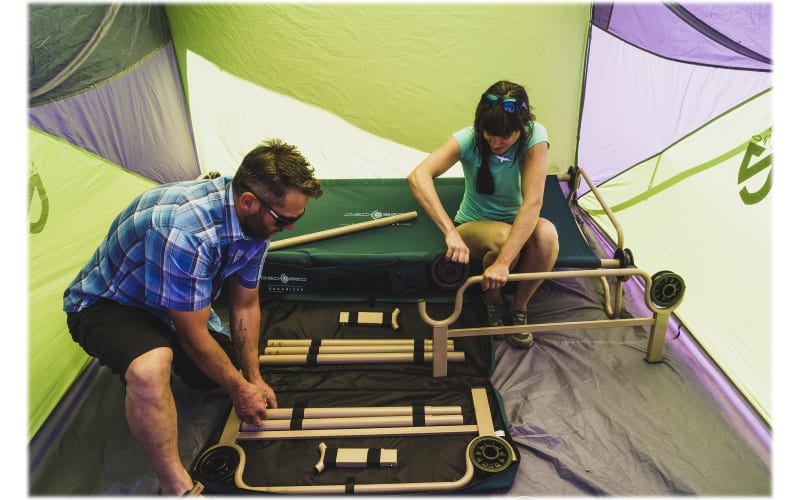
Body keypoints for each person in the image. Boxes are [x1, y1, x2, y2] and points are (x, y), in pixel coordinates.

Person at [63, 139, 323, 495]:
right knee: (152, 367)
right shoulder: (185, 230)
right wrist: (239, 388)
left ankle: (170, 370)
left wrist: (251, 378)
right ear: (249, 202)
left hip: (171, 310)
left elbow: (245, 304)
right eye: (286, 220)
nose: (290, 228)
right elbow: (191, 334)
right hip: (111, 305)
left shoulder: (257, 222)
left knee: (224, 381)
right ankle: (174, 483)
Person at [407, 80, 559, 348]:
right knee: (503, 239)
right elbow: (418, 176)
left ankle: (518, 308)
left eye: (505, 137)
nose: (496, 142)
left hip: (515, 223)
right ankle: (494, 301)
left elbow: (533, 203)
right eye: (490, 134)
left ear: (521, 128)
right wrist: (450, 233)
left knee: (547, 234)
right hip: (473, 225)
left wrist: (501, 263)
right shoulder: (467, 137)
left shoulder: (535, 136)